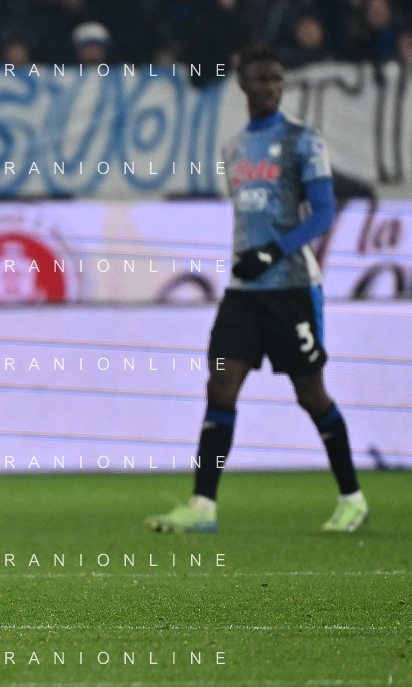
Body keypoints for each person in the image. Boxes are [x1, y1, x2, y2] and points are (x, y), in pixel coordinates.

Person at [146, 43, 368, 534]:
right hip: (244, 292)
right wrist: (253, 260)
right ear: (243, 82)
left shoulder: (303, 141)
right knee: (221, 385)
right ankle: (203, 505)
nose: (270, 87)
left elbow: (324, 214)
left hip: (291, 287)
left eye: (276, 79)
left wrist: (273, 251)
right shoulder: (233, 148)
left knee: (311, 393)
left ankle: (352, 497)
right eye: (261, 78)